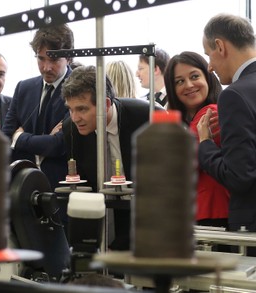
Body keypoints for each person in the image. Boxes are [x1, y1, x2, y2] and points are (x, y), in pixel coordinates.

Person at [62, 65, 163, 251]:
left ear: (106, 104)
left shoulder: (148, 118)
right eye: (70, 109)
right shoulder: (71, 130)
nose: (75, 118)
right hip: (104, 221)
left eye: (82, 109)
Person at [197, 14, 256, 255]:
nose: (209, 67)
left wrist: (205, 143)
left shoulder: (234, 96)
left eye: (208, 54)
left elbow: (239, 176)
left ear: (220, 46)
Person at [2, 24, 74, 191]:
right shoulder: (24, 88)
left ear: (69, 58)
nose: (46, 67)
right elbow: (5, 138)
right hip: (22, 187)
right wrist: (41, 142)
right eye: (41, 59)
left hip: (62, 188)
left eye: (54, 59)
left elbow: (58, 145)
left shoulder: (78, 90)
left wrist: (19, 138)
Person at [164, 51, 229, 229]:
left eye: (194, 76)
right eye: (179, 81)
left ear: (208, 77)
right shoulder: (186, 121)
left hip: (212, 212)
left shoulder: (210, 112)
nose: (189, 85)